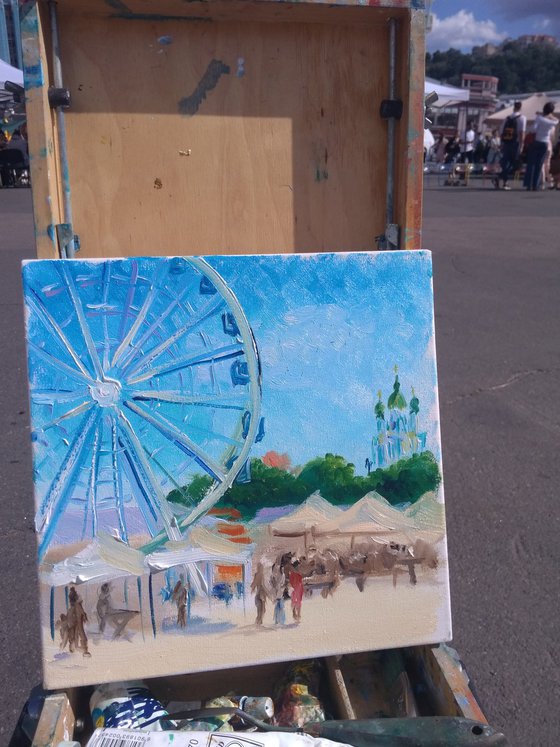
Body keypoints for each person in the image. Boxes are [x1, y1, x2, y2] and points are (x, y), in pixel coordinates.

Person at [523, 102, 559, 191]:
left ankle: (529, 184)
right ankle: (536, 185)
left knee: (531, 163)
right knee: (539, 164)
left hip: (537, 141)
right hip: (545, 143)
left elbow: (533, 129)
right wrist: (549, 115)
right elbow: (556, 119)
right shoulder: (553, 121)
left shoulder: (539, 118)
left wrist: (541, 116)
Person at [494, 101, 526, 190]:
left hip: (506, 142)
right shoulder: (522, 118)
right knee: (515, 164)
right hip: (515, 143)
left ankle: (503, 180)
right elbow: (522, 133)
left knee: (506, 162)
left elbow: (501, 131)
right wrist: (522, 145)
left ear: (513, 108)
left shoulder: (507, 118)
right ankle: (502, 179)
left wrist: (501, 143)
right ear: (521, 108)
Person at [67, 586, 91, 657]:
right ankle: (84, 649)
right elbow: (81, 611)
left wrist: (84, 616)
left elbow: (81, 611)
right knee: (79, 633)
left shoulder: (76, 606)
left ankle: (83, 649)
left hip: (76, 620)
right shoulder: (76, 605)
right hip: (76, 620)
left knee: (78, 633)